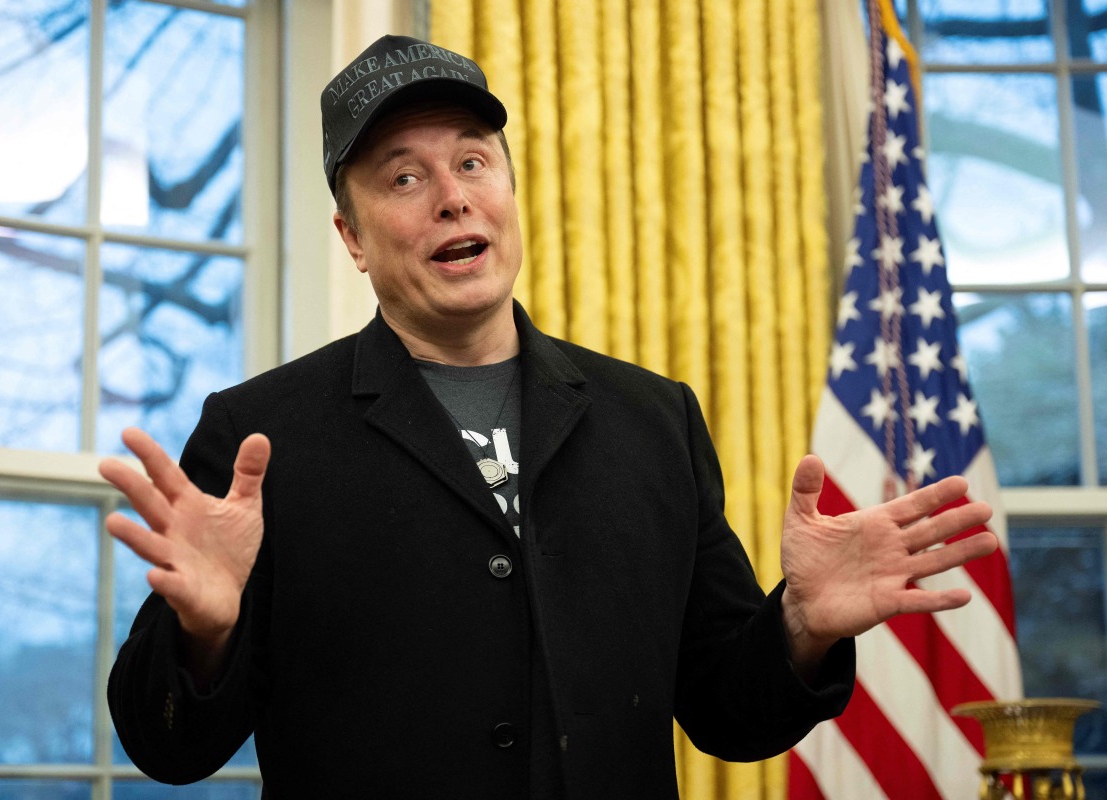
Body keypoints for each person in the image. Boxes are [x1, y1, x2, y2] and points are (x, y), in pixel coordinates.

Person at [102, 34, 997, 799]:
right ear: (352, 236)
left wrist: (801, 627)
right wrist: (204, 633)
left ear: (509, 194)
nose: (452, 196)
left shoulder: (655, 419)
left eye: (472, 161)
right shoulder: (260, 434)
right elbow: (167, 746)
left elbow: (729, 713)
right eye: (403, 177)